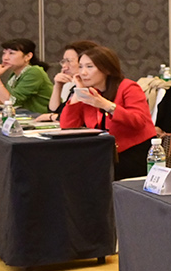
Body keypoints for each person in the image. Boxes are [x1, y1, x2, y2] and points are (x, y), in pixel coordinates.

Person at [58, 44, 156, 177]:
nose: (83, 73)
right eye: (80, 67)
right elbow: (68, 127)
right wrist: (78, 91)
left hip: (134, 154)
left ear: (107, 69)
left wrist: (106, 105)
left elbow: (138, 122)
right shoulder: (91, 92)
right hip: (104, 153)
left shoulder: (128, 87)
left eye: (89, 67)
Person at [0, 39, 52, 116]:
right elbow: (9, 96)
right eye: (4, 53)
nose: (5, 58)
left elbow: (10, 102)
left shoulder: (34, 72)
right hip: (26, 115)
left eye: (11, 53)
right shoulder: (15, 74)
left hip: (42, 117)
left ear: (28, 56)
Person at [46, 41, 89, 116]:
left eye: (69, 61)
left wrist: (52, 117)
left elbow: (72, 116)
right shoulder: (72, 84)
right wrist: (58, 86)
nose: (64, 66)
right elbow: (54, 110)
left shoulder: (92, 87)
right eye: (63, 61)